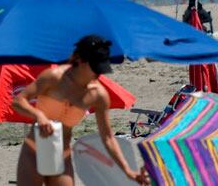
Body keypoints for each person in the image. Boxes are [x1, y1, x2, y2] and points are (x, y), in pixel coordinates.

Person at [12, 35, 146, 186]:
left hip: (61, 154)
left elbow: (108, 138)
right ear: (80, 60)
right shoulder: (54, 77)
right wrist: (39, 115)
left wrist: (128, 171)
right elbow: (18, 101)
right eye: (95, 67)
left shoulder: (98, 95)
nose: (98, 73)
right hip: (33, 150)